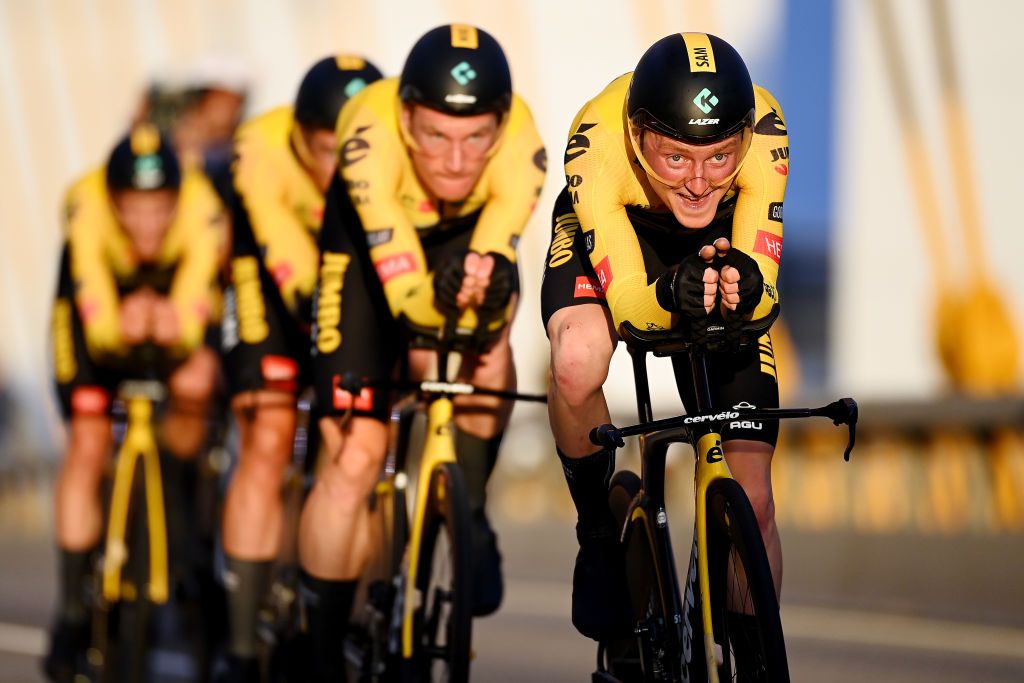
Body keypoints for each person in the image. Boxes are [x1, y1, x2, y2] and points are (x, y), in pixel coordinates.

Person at [300, 24, 545, 679]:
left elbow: (494, 264)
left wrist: (484, 289)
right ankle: (320, 652)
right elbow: (406, 298)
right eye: (436, 135)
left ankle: (467, 505)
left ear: (500, 126)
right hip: (365, 255)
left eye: (475, 139)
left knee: (489, 349)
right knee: (354, 455)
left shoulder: (525, 149)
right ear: (406, 118)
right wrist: (434, 293)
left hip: (464, 237)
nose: (458, 162)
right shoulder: (367, 137)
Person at [541, 32, 788, 644]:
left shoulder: (768, 129)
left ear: (744, 139)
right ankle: (598, 530)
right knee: (577, 358)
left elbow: (766, 291)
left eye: (720, 158)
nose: (700, 181)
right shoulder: (596, 140)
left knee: (752, 500)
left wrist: (748, 287)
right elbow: (628, 303)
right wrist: (670, 294)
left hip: (714, 247)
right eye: (676, 157)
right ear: (636, 134)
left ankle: (749, 655)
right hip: (620, 239)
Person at [218, 54, 382, 681]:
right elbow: (287, 259)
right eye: (325, 148)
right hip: (273, 281)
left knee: (363, 440)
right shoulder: (261, 149)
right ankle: (238, 647)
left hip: (357, 283)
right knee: (267, 436)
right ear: (298, 137)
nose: (341, 165)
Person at [44, 124, 226, 682]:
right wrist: (118, 328)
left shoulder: (203, 208)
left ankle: (177, 487)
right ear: (112, 200)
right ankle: (73, 609)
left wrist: (178, 326)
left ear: (178, 199)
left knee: (197, 381)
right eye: (132, 209)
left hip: (171, 302)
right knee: (89, 433)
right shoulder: (85, 204)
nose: (146, 224)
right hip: (99, 308)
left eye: (159, 209)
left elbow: (199, 298)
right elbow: (94, 312)